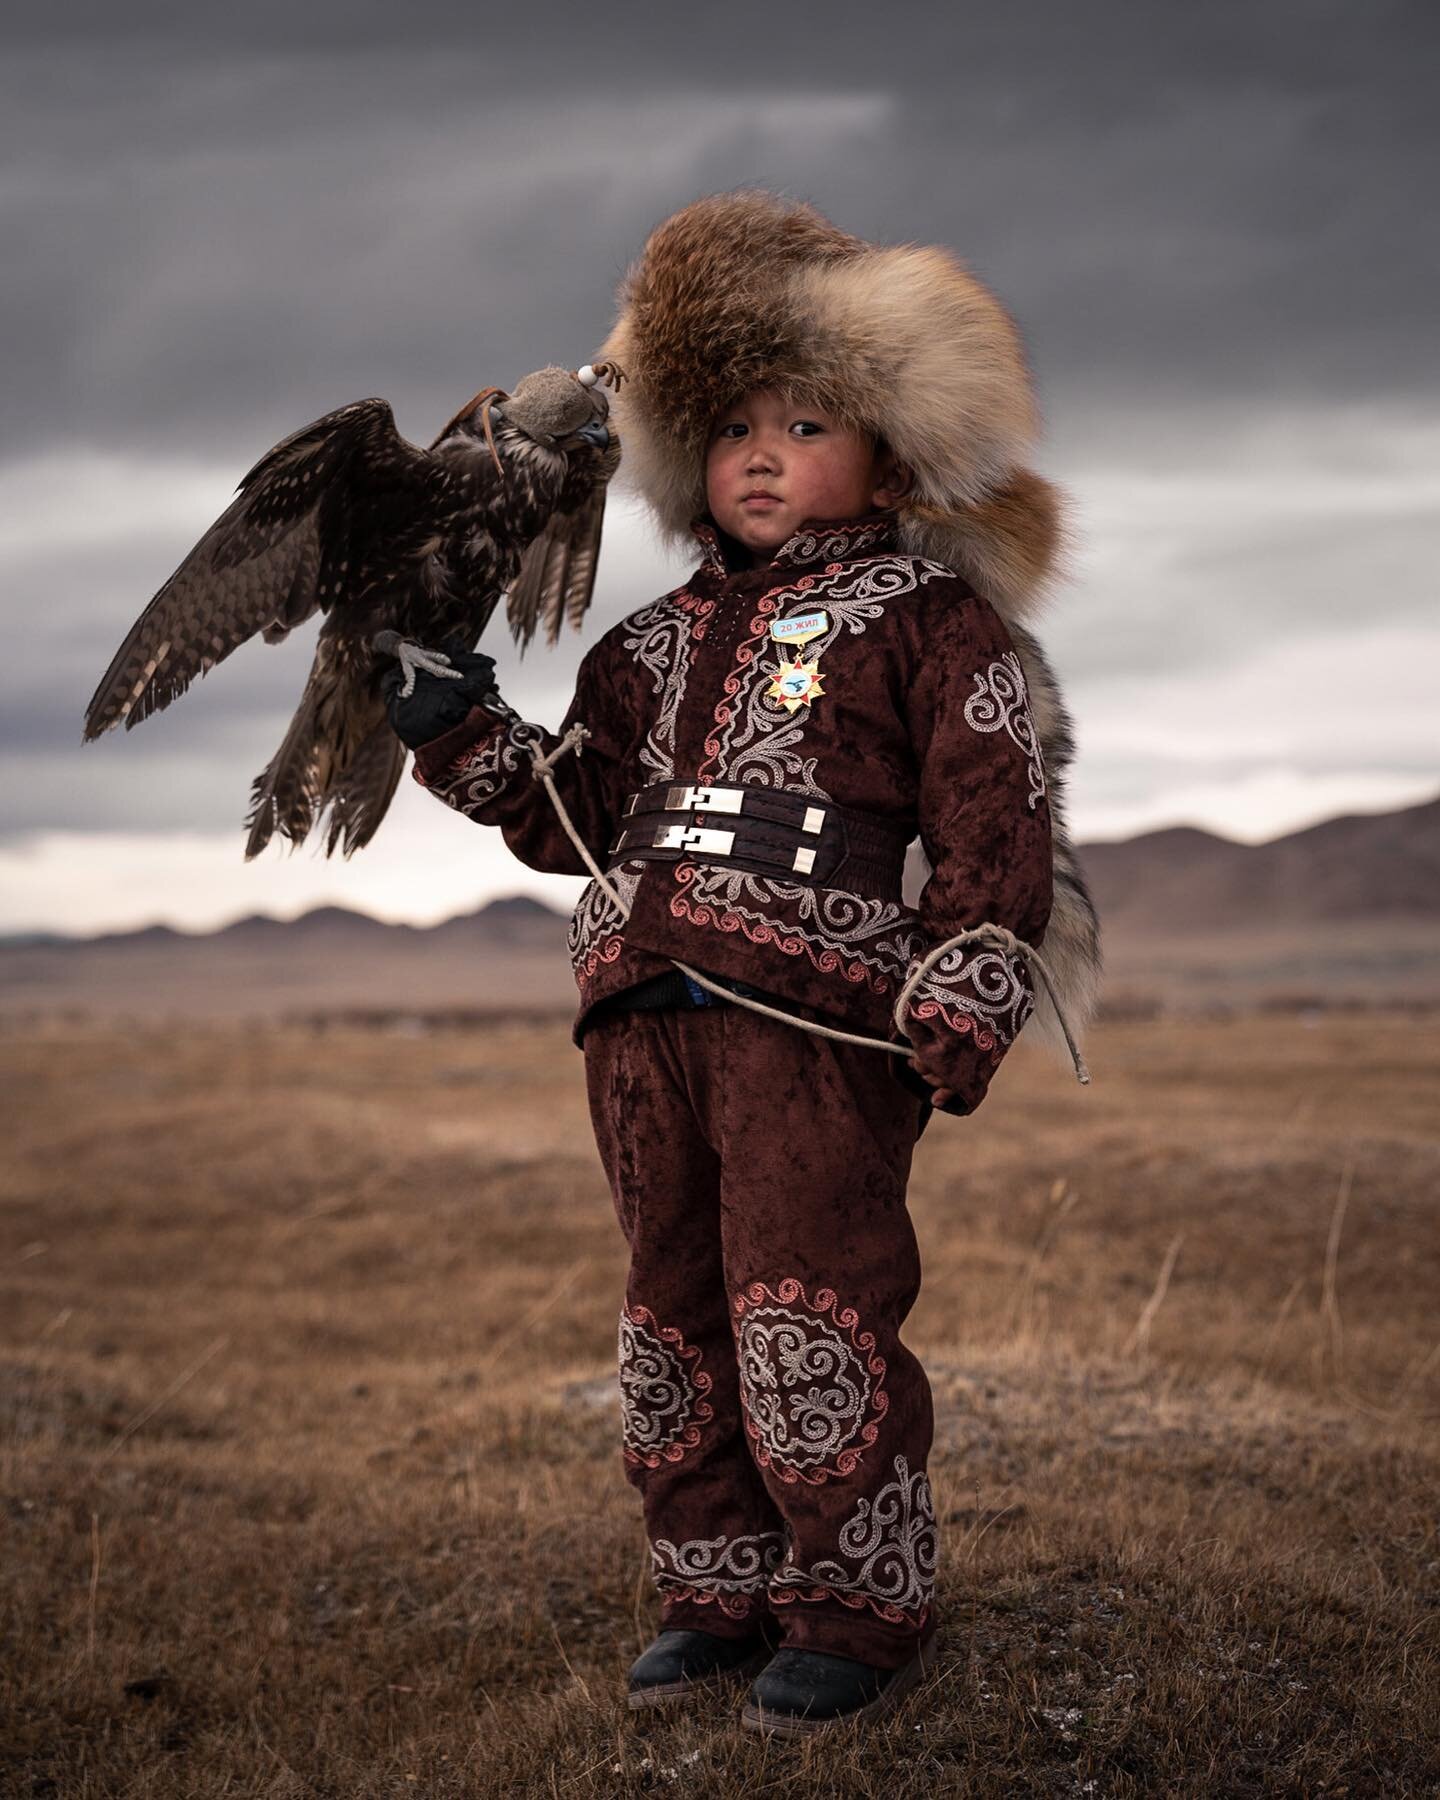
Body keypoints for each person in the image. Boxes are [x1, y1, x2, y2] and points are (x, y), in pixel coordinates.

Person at [383, 190, 1100, 1737]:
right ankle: (713, 1589)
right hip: (635, 1013)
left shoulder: (931, 619)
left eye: (808, 422)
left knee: (808, 1302)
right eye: (733, 430)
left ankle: (856, 1602)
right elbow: (569, 818)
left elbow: (997, 802)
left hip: (815, 1020)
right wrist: (457, 733)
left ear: (891, 452)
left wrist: (969, 980)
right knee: (674, 1310)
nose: (763, 456)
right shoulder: (637, 648)